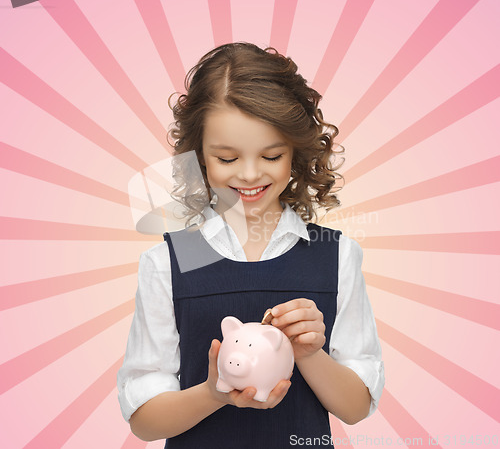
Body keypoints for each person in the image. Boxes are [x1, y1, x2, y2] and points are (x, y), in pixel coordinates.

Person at [117, 42, 385, 448]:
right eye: (226, 158)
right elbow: (144, 423)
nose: (249, 174)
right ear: (199, 156)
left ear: (295, 151)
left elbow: (356, 406)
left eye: (271, 155)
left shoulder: (333, 256)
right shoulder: (173, 260)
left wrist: (310, 353)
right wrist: (213, 394)